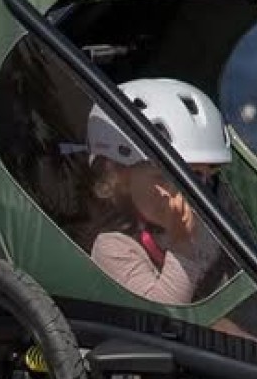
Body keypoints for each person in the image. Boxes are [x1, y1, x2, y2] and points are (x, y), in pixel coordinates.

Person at [83, 77, 234, 305]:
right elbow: (163, 313)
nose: (185, 191)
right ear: (120, 176)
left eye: (197, 177)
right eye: (165, 176)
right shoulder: (114, 247)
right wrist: (181, 243)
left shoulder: (209, 223)